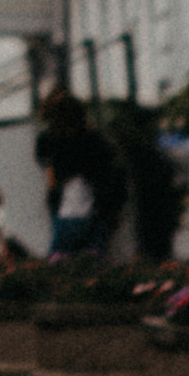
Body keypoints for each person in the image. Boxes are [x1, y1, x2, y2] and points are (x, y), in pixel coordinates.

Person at [36, 84, 124, 259]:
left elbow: (51, 176)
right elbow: (110, 172)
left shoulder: (48, 139)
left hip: (66, 208)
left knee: (61, 257)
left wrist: (53, 195)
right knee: (95, 256)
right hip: (97, 205)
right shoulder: (94, 138)